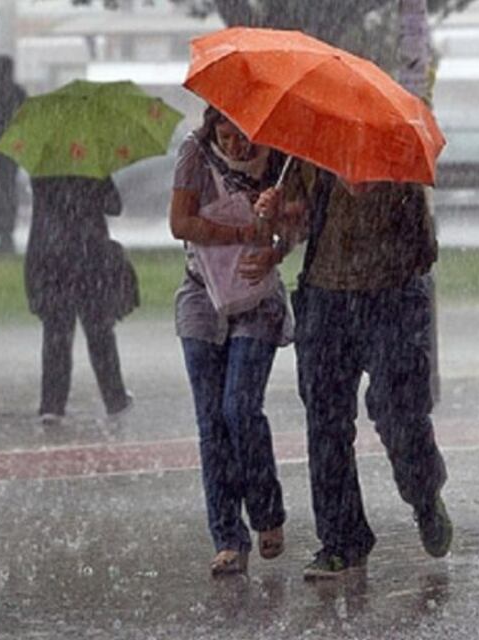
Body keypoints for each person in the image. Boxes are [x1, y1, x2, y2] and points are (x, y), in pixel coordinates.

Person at [254, 170, 452, 579]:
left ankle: (424, 493)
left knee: (399, 415)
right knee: (325, 422)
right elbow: (293, 230)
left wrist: (380, 195)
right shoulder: (312, 151)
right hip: (326, 300)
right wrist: (276, 216)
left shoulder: (394, 161)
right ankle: (343, 541)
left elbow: (424, 250)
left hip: (391, 297)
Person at [168, 106, 307, 577]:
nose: (236, 142)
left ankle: (267, 513)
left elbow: (294, 225)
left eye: (246, 133)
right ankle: (227, 536)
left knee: (239, 409)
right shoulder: (194, 153)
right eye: (227, 129)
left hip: (256, 297)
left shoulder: (283, 162)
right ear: (214, 123)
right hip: (201, 295)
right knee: (211, 421)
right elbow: (181, 222)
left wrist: (275, 242)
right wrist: (239, 231)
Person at [25, 175, 136, 425]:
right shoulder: (92, 167)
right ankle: (114, 398)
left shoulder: (42, 172)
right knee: (99, 332)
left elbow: (42, 211)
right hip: (90, 258)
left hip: (50, 259)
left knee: (56, 334)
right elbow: (114, 206)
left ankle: (52, 404)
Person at [0, 55, 27, 254]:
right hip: (11, 151)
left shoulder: (1, 93)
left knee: (0, 194)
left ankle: (4, 235)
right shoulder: (18, 93)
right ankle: (6, 235)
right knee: (7, 192)